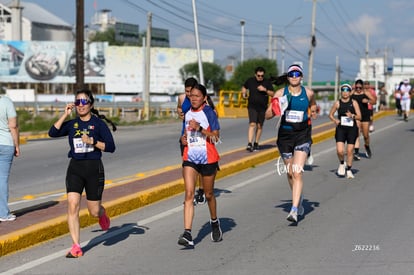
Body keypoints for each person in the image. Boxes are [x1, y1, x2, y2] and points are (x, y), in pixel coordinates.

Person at [48, 89, 116, 258]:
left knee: (93, 211)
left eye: (84, 102)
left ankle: (101, 213)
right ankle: (76, 246)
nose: (80, 105)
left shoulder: (98, 124)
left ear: (91, 104)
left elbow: (111, 147)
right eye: (77, 102)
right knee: (72, 205)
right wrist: (65, 114)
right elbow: (53, 132)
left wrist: (92, 141)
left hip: (94, 169)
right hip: (75, 169)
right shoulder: (72, 124)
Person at [265, 64, 317, 223]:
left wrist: (313, 111)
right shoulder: (280, 93)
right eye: (291, 74)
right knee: (289, 173)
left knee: (297, 171)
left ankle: (294, 209)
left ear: (301, 76)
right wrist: (274, 108)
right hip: (285, 136)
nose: (294, 76)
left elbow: (313, 104)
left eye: (297, 73)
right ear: (287, 77)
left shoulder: (308, 93)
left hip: (302, 134)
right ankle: (298, 198)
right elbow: (267, 116)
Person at [178, 83, 222, 247]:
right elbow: (186, 133)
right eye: (192, 96)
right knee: (189, 194)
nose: (194, 98)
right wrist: (183, 139)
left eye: (197, 96)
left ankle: (214, 221)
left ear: (204, 98)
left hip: (208, 158)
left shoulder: (209, 113)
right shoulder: (187, 113)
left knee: (209, 195)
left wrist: (201, 128)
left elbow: (216, 138)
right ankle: (188, 233)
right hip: (190, 157)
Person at [177, 77, 206, 205]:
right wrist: (180, 114)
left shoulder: (201, 100)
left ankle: (201, 190)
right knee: (186, 165)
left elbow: (212, 115)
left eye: (191, 91)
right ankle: (190, 194)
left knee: (199, 166)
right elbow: (179, 108)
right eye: (186, 91)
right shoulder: (182, 98)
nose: (189, 94)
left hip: (199, 138)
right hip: (185, 137)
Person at [328, 84, 361, 179]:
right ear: (341, 92)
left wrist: (353, 116)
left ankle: (349, 170)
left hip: (352, 129)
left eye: (347, 90)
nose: (345, 92)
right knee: (340, 151)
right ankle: (342, 163)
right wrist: (335, 120)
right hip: (341, 129)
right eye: (343, 90)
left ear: (350, 92)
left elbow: (360, 116)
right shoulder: (337, 103)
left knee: (350, 151)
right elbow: (330, 115)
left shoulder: (354, 102)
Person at [242, 66, 274, 152]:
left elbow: (273, 93)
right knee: (252, 124)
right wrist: (244, 93)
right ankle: (249, 143)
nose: (260, 77)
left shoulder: (267, 82)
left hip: (263, 107)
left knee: (260, 125)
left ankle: (256, 143)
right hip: (252, 106)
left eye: (262, 76)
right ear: (255, 74)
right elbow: (244, 87)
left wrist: (265, 90)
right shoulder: (250, 81)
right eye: (258, 75)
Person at [0, 95, 20, 222]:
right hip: (6, 143)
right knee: (2, 179)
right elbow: (13, 125)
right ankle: (3, 213)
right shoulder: (6, 101)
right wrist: (17, 145)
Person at [351, 79, 376, 160]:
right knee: (356, 134)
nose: (358, 89)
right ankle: (356, 152)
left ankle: (367, 146)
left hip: (365, 116)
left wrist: (368, 101)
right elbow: (345, 99)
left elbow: (374, 101)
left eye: (360, 88)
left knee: (365, 135)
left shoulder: (366, 93)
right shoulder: (352, 93)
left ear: (362, 87)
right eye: (356, 87)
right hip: (356, 116)